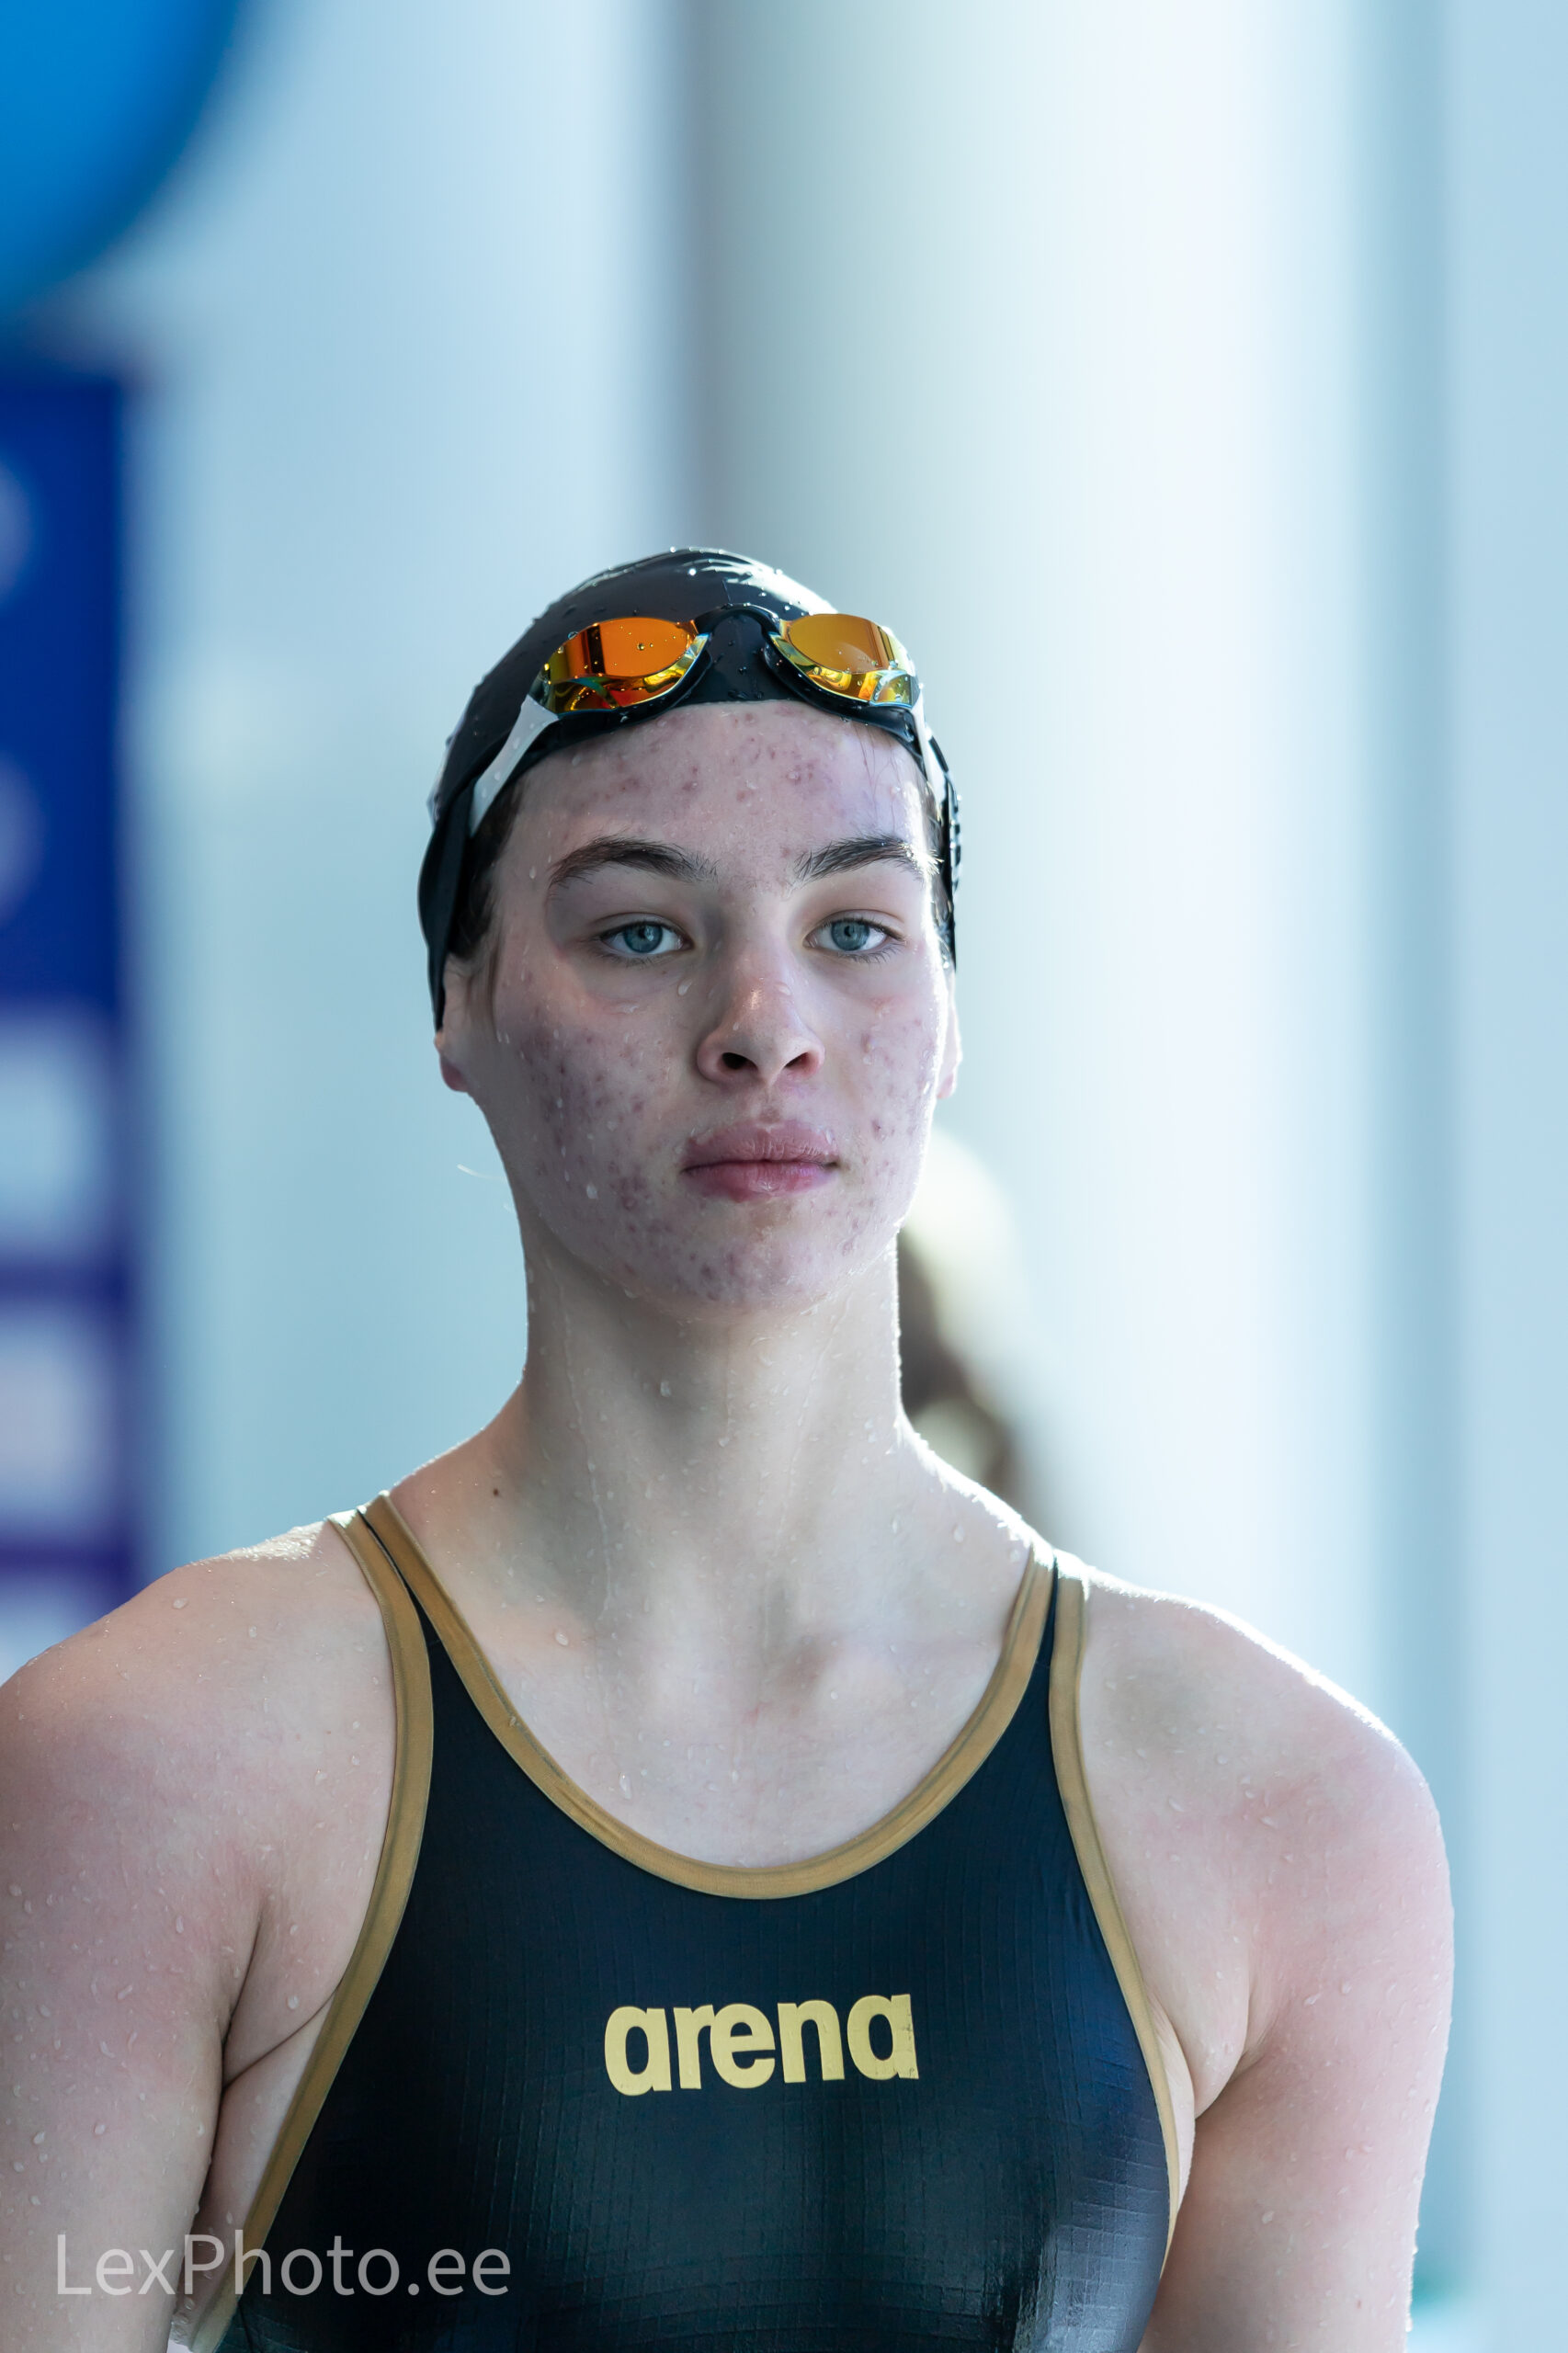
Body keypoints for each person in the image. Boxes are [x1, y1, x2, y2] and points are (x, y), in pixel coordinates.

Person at [0, 551, 1450, 2352]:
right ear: (457, 1002)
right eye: (638, 930)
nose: (765, 1025)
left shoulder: (1276, 1809)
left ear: (947, 1020)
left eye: (854, 928)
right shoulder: (158, 1768)